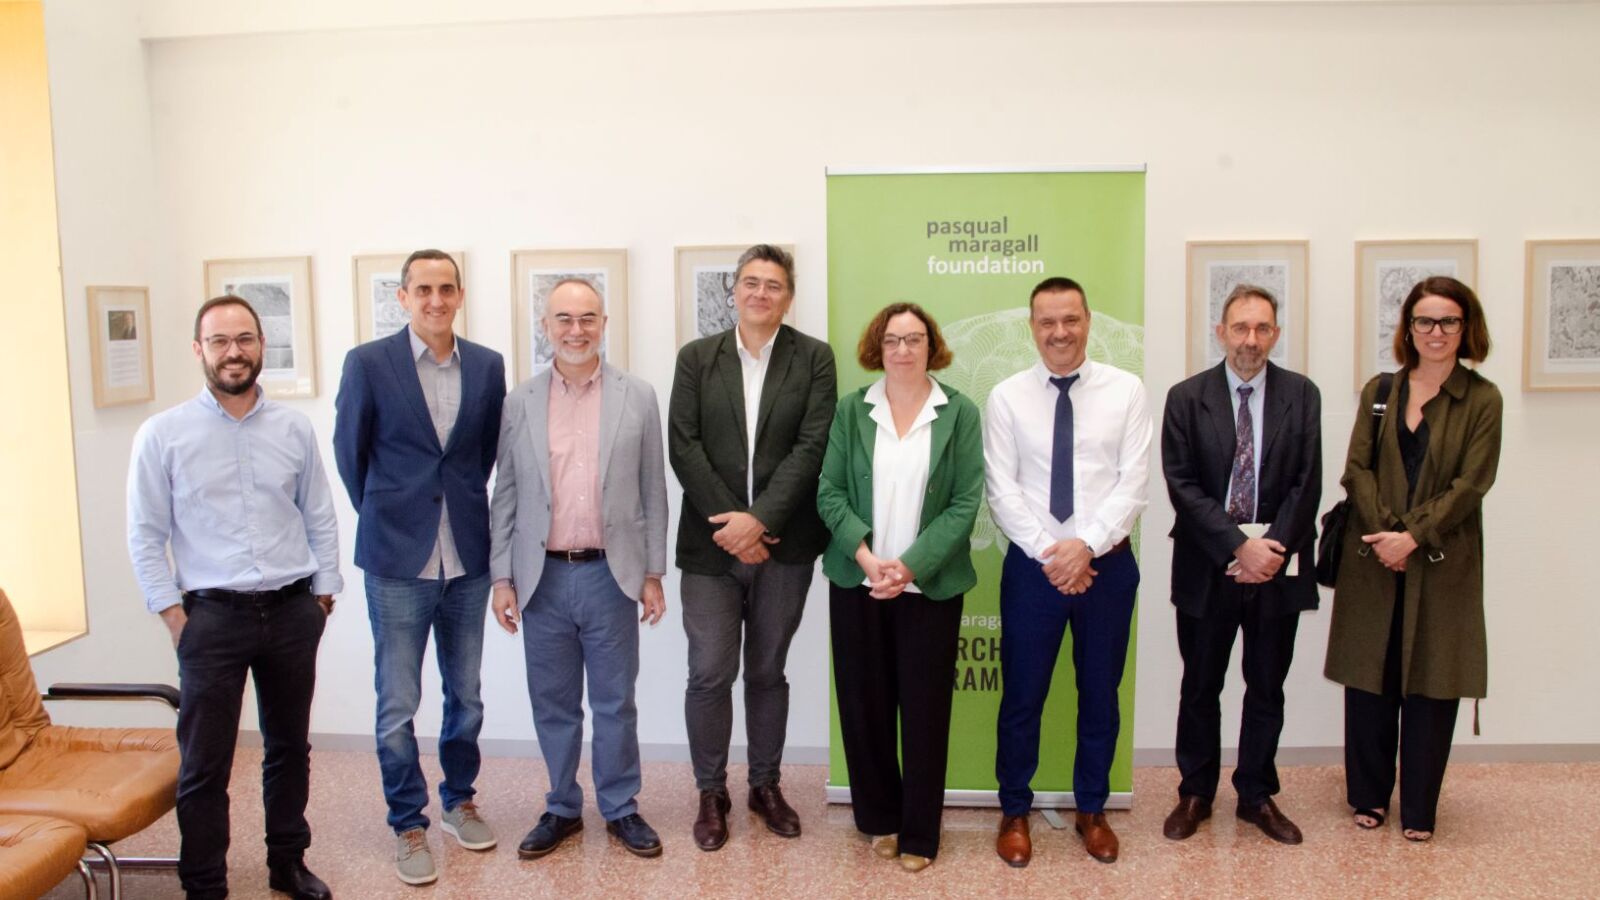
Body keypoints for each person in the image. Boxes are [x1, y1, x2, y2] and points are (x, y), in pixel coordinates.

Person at [127, 296, 341, 900]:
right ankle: (204, 885)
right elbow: (144, 534)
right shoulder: (163, 434)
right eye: (219, 341)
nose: (233, 352)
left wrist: (322, 598)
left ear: (261, 346)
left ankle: (286, 863)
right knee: (205, 763)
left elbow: (319, 514)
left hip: (292, 610)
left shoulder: (293, 428)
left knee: (289, 749)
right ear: (199, 350)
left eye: (244, 339)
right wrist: (174, 616)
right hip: (211, 618)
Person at [332, 249, 507, 885]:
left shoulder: (487, 365)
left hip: (466, 558)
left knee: (467, 696)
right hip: (396, 560)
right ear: (402, 297)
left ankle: (459, 801)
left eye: (446, 288)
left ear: (460, 295)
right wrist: (390, 513)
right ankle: (409, 823)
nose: (436, 300)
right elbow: (349, 453)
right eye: (423, 289)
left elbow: (483, 455)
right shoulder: (368, 363)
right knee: (398, 702)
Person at [488, 278, 669, 859]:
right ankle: (562, 806)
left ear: (603, 324)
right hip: (540, 578)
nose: (576, 330)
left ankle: (620, 807)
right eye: (563, 319)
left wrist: (653, 573)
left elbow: (653, 489)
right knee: (554, 704)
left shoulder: (637, 396)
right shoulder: (519, 402)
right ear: (546, 327)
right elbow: (506, 493)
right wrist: (501, 578)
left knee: (615, 703)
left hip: (610, 575)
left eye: (587, 318)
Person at [667, 244, 838, 850]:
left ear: (789, 297)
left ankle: (765, 785)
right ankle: (710, 793)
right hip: (710, 548)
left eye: (774, 284)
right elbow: (683, 445)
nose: (761, 293)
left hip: (784, 547)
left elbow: (813, 447)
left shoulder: (814, 359)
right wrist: (734, 527)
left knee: (767, 671)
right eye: (751, 282)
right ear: (733, 291)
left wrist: (760, 521)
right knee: (709, 673)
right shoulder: (696, 358)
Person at [1325, 275, 1502, 842]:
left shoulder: (1483, 399)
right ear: (1408, 328)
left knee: (1432, 679)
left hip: (1442, 561)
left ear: (1465, 328)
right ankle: (1369, 796)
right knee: (1370, 676)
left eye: (1449, 320)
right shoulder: (1380, 391)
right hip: (1373, 557)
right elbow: (1357, 470)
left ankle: (1420, 808)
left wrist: (1412, 537)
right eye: (1424, 320)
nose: (1436, 331)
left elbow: (1472, 484)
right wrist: (1386, 534)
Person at [986, 277, 1151, 866]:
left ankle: (1092, 808)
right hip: (1034, 569)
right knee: (1022, 696)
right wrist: (1054, 554)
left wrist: (1087, 547)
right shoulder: (1006, 396)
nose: (1060, 332)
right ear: (1032, 327)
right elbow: (1001, 489)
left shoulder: (1127, 391)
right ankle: (1014, 809)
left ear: (1088, 321)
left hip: (1107, 566)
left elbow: (1134, 481)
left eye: (1071, 320)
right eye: (1048, 322)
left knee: (1100, 694)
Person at [816, 303, 983, 873]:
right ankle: (880, 819)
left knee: (925, 710)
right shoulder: (852, 410)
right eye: (892, 340)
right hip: (858, 581)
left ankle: (920, 831)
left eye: (914, 339)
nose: (903, 350)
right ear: (878, 347)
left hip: (928, 587)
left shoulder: (958, 413)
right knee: (864, 707)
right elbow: (829, 492)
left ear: (931, 346)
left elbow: (965, 502)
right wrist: (866, 558)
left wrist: (909, 567)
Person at [1159, 284, 1322, 845]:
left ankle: (1255, 794)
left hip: (1277, 564)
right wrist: (1236, 546)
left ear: (1275, 334)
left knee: (1267, 686)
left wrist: (1268, 549)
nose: (1250, 340)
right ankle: (1195, 792)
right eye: (1240, 328)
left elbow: (1307, 483)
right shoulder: (1187, 397)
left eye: (1262, 328)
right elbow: (1181, 484)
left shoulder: (1302, 395)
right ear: (1220, 332)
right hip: (1208, 564)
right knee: (1200, 685)